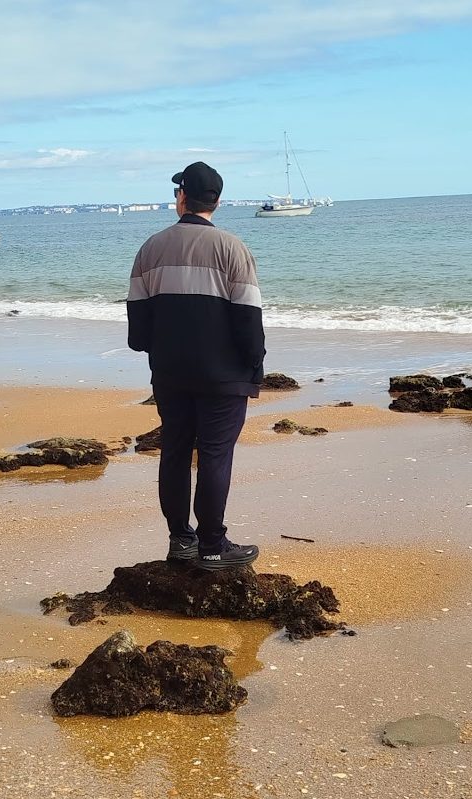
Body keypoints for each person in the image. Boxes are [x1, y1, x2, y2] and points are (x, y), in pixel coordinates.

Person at [127, 161, 265, 570]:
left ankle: (180, 541)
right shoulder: (233, 249)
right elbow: (249, 320)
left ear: (182, 197)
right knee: (215, 455)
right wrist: (254, 368)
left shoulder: (150, 249)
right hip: (224, 376)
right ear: (217, 202)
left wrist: (168, 348)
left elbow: (138, 335)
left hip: (170, 374)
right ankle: (213, 546)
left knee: (174, 452)